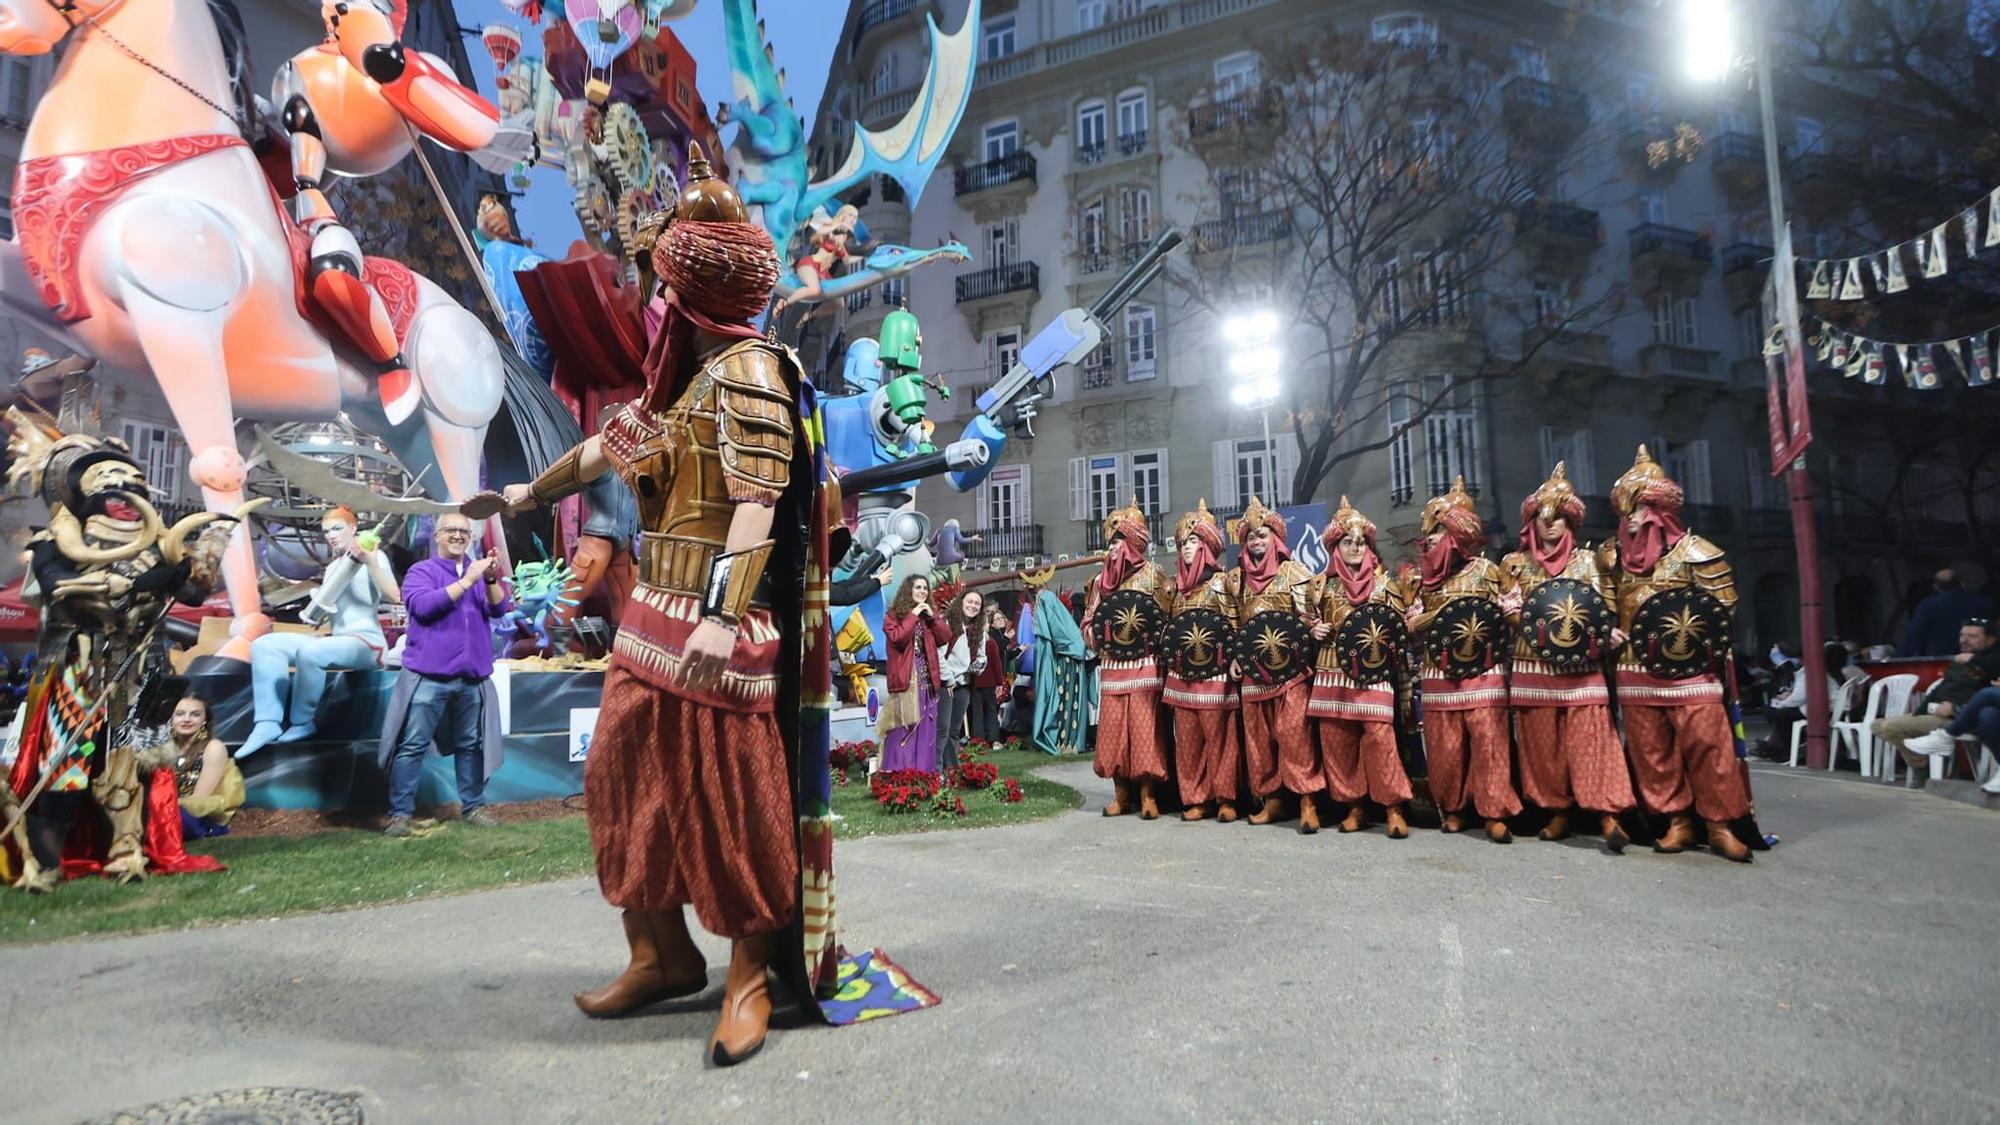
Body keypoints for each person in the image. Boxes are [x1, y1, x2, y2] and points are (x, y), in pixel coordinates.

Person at [500, 142, 839, 1067]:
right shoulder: (676, 382)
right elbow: (607, 447)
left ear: (686, 298)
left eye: (656, 288)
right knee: (620, 782)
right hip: (650, 616)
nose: (647, 303)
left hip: (719, 630)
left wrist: (724, 620)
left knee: (731, 806)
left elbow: (761, 504)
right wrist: (522, 498)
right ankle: (661, 952)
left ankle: (749, 974)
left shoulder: (752, 377)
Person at [2, 412, 236, 891]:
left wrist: (205, 552)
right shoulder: (56, 544)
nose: (124, 490)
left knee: (131, 763)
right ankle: (47, 863)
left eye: (131, 481)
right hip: (78, 673)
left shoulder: (157, 546)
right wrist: (133, 585)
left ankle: (128, 852)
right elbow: (61, 589)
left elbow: (192, 594)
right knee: (67, 764)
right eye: (109, 483)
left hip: (141, 672)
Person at [1602, 445, 1753, 863]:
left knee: (1710, 748)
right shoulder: (1611, 558)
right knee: (1653, 754)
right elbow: (1603, 607)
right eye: (1626, 511)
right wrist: (1608, 631)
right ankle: (1677, 822)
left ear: (1659, 510)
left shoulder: (1697, 553)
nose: (1631, 519)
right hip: (1633, 668)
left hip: (1691, 670)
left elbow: (1723, 610)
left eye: (1639, 509)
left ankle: (1720, 825)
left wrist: (1687, 637)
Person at [1499, 465, 1635, 851]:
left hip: (1582, 669)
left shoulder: (1590, 562)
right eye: (1542, 518)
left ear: (1570, 520)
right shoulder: (1515, 565)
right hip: (1532, 665)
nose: (1550, 525)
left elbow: (1605, 608)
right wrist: (1516, 614)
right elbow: (1509, 612)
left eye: (1557, 517)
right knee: (1543, 749)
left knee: (1595, 744)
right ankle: (1557, 811)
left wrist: (1608, 632)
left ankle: (1610, 815)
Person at [379, 512, 510, 838]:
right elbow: (423, 607)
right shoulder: (421, 571)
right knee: (412, 746)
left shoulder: (478, 572)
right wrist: (467, 580)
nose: (457, 535)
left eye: (464, 531)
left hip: (471, 678)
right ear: (436, 536)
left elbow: (498, 609)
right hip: (428, 678)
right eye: (450, 529)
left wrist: (490, 579)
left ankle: (474, 805)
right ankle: (400, 814)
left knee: (471, 745)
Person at [1407, 476, 1520, 844]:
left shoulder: (1488, 572)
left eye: (1439, 532)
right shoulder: (1421, 581)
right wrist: (1439, 616)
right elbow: (1410, 623)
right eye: (1430, 534)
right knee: (1445, 747)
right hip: (1437, 671)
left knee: (1489, 743)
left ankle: (1495, 811)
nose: (1432, 540)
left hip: (1483, 670)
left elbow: (1511, 616)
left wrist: (1508, 610)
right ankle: (1454, 808)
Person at [238, 506, 400, 757]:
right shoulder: (335, 566)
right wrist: (318, 610)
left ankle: (303, 721)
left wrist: (370, 562)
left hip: (368, 644)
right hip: (337, 640)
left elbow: (394, 595)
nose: (331, 535)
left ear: (354, 528)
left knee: (312, 652)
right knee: (265, 646)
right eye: (326, 531)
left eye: (337, 528)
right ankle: (267, 722)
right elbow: (331, 611)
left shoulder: (374, 557)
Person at [1307, 496, 1414, 838]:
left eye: (1359, 542)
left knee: (1380, 740)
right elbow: (1309, 621)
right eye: (1347, 542)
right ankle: (1354, 808)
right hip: (1330, 669)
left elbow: (1398, 632)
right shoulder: (1321, 586)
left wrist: (1410, 623)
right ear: (1335, 548)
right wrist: (1315, 629)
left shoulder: (1385, 586)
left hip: (1373, 673)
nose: (1354, 547)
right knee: (1337, 742)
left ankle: (1393, 806)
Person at [1224, 496, 1320, 829]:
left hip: (1290, 672)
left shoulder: (1294, 573)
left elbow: (1309, 618)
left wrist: (1314, 630)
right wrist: (1235, 657)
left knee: (1294, 734)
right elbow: (1234, 624)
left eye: (1262, 535)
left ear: (1275, 539)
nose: (1256, 541)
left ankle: (1308, 800)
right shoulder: (1235, 579)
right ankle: (1274, 800)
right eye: (1251, 536)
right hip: (1253, 674)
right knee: (1259, 740)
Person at [1082, 499, 1173, 819]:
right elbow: (1088, 621)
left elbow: (1168, 620)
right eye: (1111, 542)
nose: (1113, 548)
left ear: (1134, 544)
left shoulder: (1155, 577)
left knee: (1145, 731)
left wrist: (1156, 641)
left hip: (1146, 666)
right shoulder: (1099, 583)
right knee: (1112, 732)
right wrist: (1095, 636)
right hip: (1112, 667)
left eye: (1119, 541)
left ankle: (1148, 795)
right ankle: (1121, 795)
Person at [1163, 500, 1241, 822]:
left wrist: (1236, 658)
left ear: (1208, 545)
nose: (1187, 549)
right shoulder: (1176, 590)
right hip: (1182, 677)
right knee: (1189, 742)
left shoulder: (1222, 583)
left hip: (1216, 675)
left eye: (1193, 542)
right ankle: (1196, 798)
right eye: (1183, 543)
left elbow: (1236, 625)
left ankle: (1226, 798)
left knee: (1220, 740)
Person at [1880, 619, 2000, 774]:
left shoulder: (1991, 660)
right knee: (1877, 725)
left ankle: (1925, 767)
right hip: (1950, 712)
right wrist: (1920, 712)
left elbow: (1987, 683)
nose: (1965, 640)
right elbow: (1940, 689)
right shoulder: (1960, 660)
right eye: (1962, 635)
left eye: (1972, 636)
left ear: (1990, 640)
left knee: (1890, 727)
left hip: (1957, 716)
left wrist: (1955, 710)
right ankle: (1928, 761)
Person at [881, 574, 950, 773]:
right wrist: (913, 614)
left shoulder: (927, 619)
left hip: (927, 683)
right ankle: (898, 773)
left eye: (925, 588)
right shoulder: (894, 616)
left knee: (926, 730)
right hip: (905, 683)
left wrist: (933, 617)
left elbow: (945, 637)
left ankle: (923, 773)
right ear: (908, 591)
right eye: (918, 588)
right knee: (904, 730)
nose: (922, 592)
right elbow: (898, 638)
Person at [162, 695, 245, 838]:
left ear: (204, 720)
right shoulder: (161, 748)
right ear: (171, 719)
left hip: (195, 814)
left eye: (195, 714)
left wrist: (163, 808)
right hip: (164, 808)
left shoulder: (213, 748)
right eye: (180, 714)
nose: (186, 719)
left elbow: (199, 799)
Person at [1753, 642, 1843, 761]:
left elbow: (1799, 698)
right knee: (1780, 713)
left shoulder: (1809, 671)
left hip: (1820, 710)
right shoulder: (1821, 668)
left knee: (1777, 714)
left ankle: (1783, 749)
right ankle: (1772, 744)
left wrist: (1781, 704)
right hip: (1829, 708)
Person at [938, 588, 992, 768]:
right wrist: (948, 679)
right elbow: (939, 655)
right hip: (946, 683)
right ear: (961, 602)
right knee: (942, 729)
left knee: (954, 730)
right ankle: (935, 770)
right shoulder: (948, 624)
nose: (972, 606)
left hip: (964, 684)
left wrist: (978, 666)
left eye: (977, 603)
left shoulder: (979, 632)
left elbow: (981, 657)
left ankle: (951, 768)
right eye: (970, 601)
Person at [1901, 570, 1997, 657]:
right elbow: (1995, 629)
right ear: (1962, 584)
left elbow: (1914, 635)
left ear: (1936, 587)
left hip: (1942, 661)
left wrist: (1899, 659)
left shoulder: (1928, 606)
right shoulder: (1984, 603)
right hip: (1978, 660)